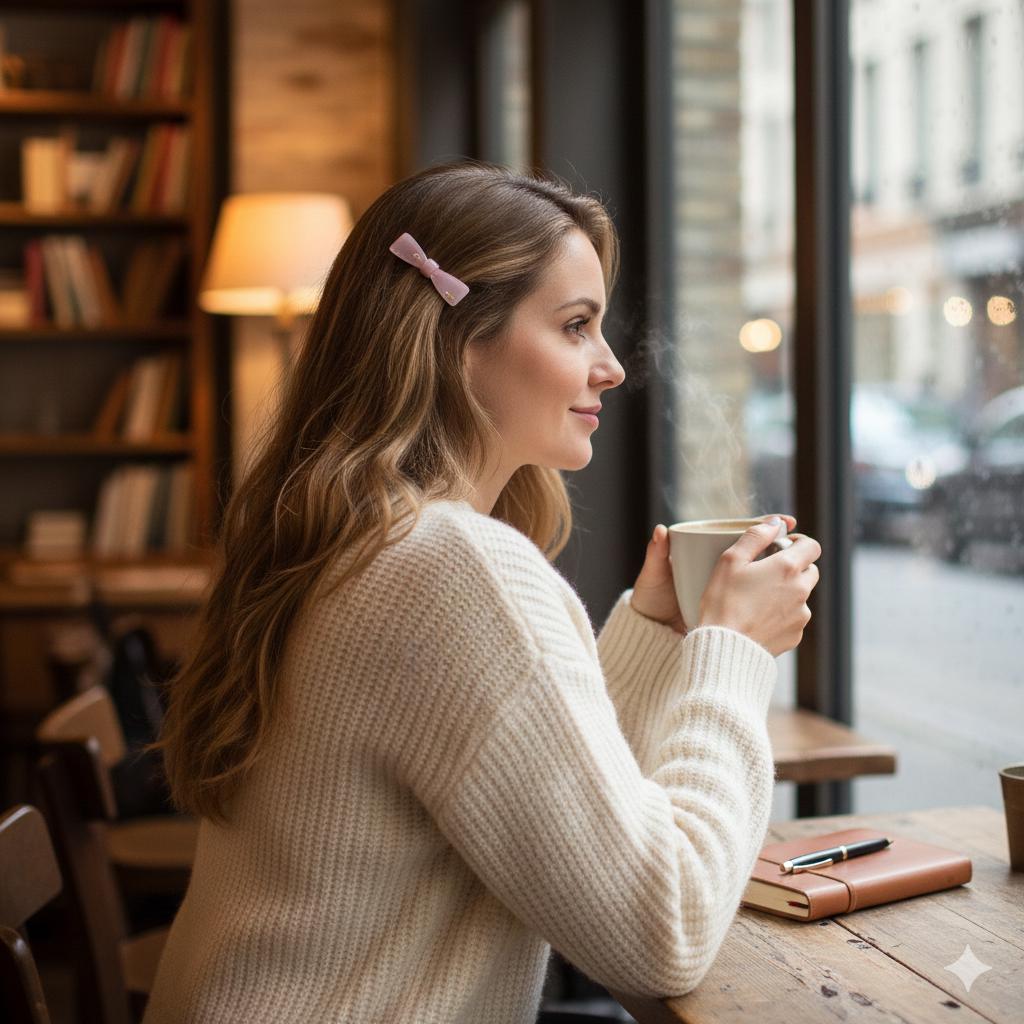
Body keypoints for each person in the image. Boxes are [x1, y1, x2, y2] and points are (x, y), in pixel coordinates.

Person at [143, 160, 821, 1024]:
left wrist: (656, 628)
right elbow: (664, 935)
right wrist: (732, 656)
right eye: (575, 326)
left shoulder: (350, 535)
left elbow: (525, 784)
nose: (610, 366)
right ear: (457, 342)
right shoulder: (452, 568)